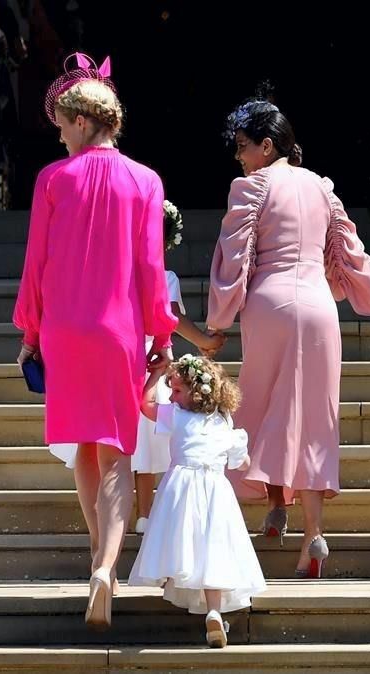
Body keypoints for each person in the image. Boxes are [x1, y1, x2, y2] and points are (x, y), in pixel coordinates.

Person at [206, 100, 370, 578]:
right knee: (315, 418)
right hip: (319, 308)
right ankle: (312, 534)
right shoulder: (322, 188)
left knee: (260, 406)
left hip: (270, 305)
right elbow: (352, 255)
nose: (239, 157)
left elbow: (233, 260)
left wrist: (217, 322)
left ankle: (276, 507)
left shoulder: (252, 186)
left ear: (267, 145)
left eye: (243, 147)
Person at [13, 54, 177, 631]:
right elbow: (151, 268)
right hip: (118, 331)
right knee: (116, 454)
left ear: (83, 122)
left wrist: (30, 333)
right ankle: (107, 564)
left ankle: (95, 555)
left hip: (64, 328)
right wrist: (161, 331)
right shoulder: (147, 180)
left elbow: (37, 264)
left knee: (84, 447)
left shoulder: (53, 180)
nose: (58, 133)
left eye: (61, 122)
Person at [48, 209, 222, 533]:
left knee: (121, 443)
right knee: (143, 442)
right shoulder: (163, 277)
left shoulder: (114, 272)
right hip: (144, 358)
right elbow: (170, 317)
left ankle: (116, 520)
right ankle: (144, 513)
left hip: (114, 355)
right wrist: (204, 341)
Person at [129, 355, 265, 648]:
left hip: (180, 486)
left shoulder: (175, 416)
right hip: (216, 488)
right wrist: (243, 463)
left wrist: (155, 375)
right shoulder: (224, 422)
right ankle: (214, 610)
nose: (173, 397)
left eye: (177, 391)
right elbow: (242, 461)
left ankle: (176, 579)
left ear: (197, 392)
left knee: (182, 539)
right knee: (212, 548)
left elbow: (145, 404)